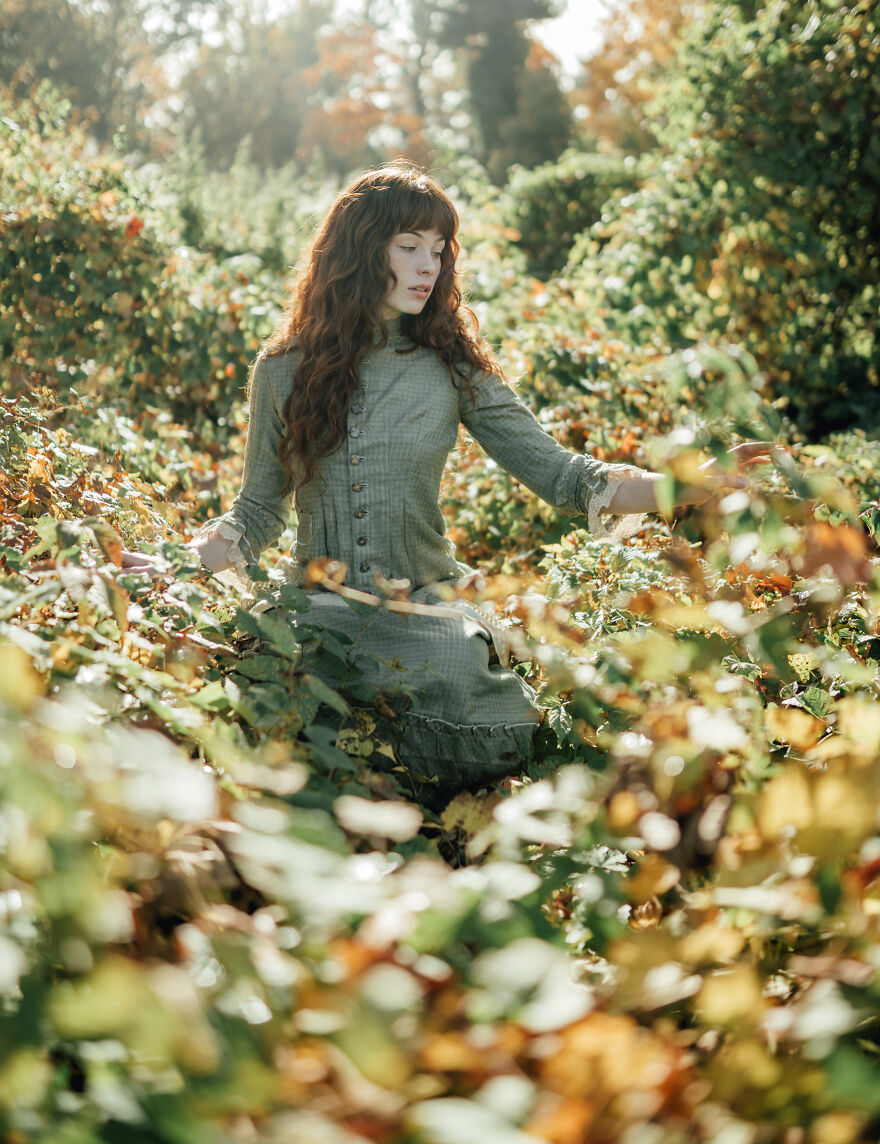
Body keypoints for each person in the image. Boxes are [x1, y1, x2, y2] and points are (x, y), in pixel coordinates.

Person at [122, 164, 772, 792]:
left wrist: (684, 485)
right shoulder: (283, 369)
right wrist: (181, 565)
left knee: (457, 662)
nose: (429, 264)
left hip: (426, 606)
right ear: (359, 251)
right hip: (319, 610)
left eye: (438, 247)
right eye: (408, 245)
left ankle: (389, 777)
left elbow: (560, 474)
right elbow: (259, 510)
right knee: (263, 660)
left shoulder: (452, 365)